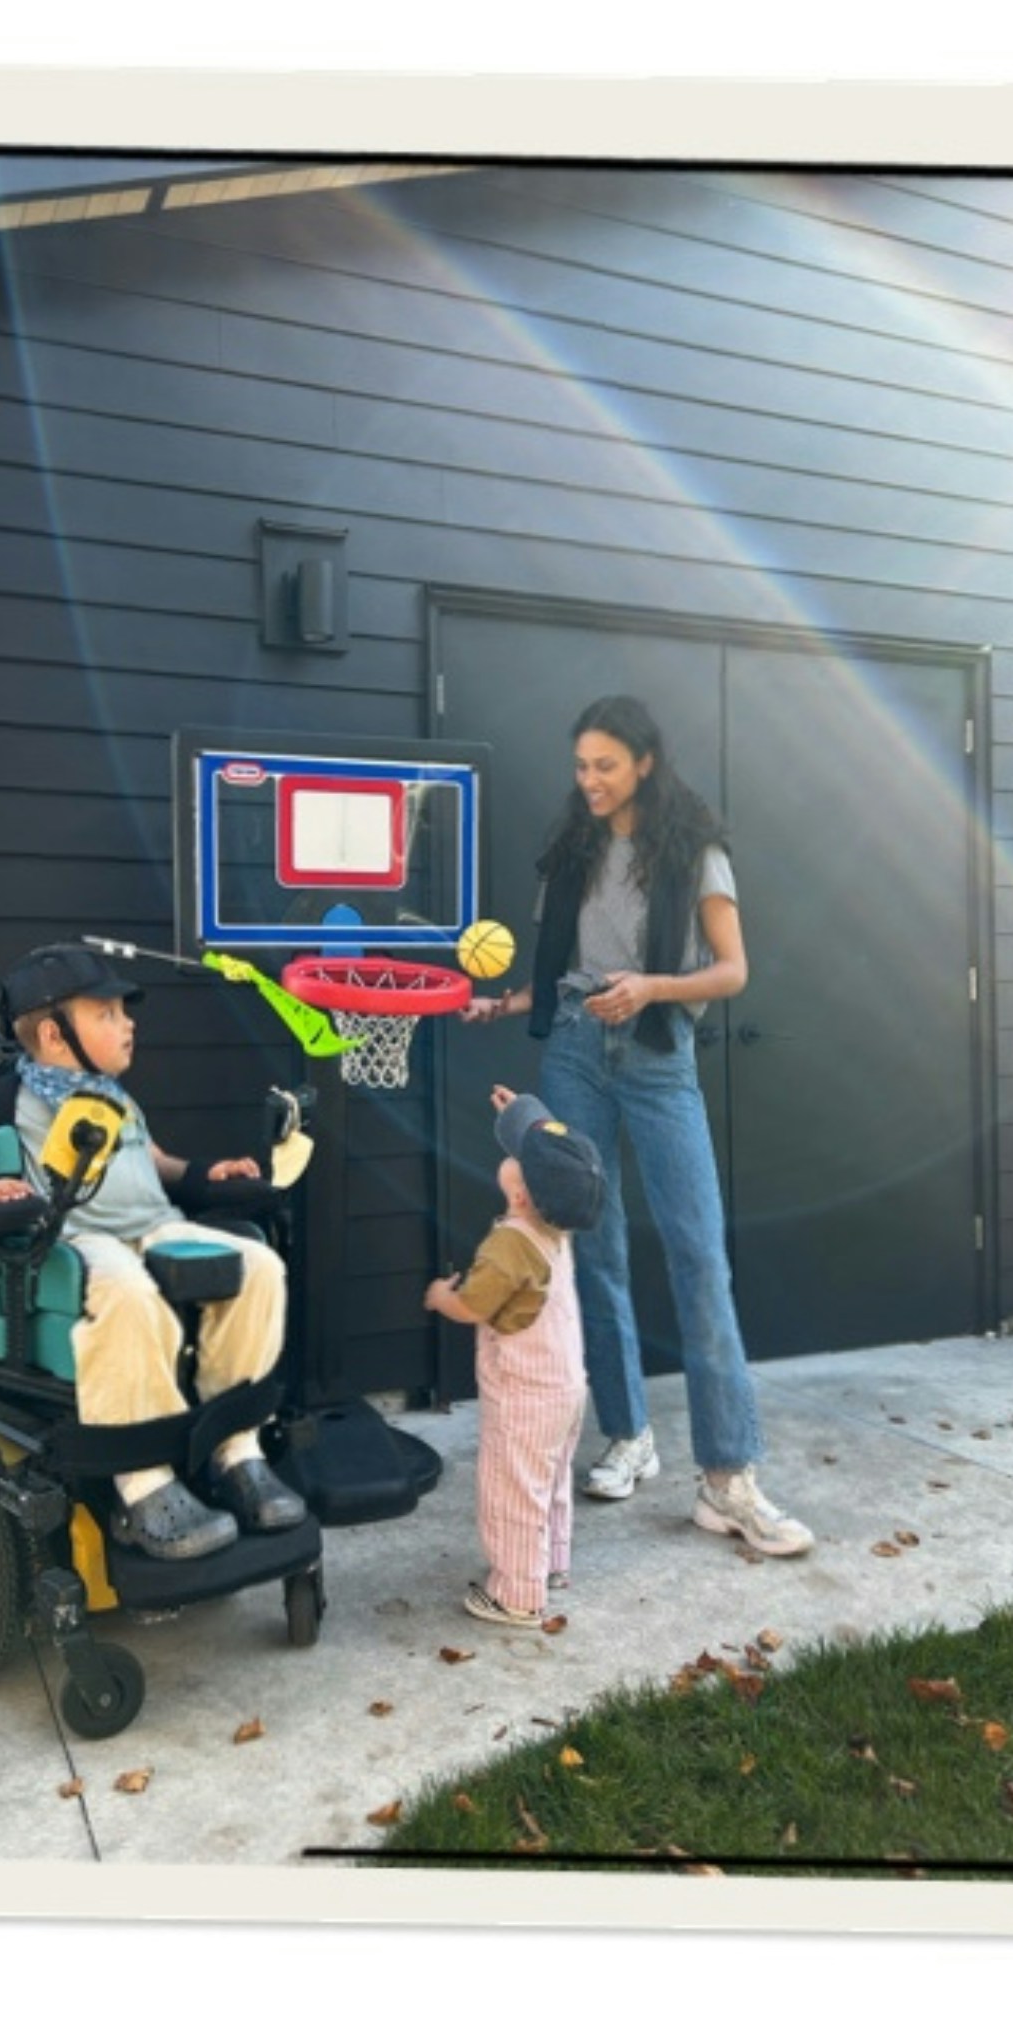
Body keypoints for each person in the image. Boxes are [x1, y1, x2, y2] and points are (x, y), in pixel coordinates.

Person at [468, 698, 812, 1560]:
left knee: (698, 1256)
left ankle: (728, 1479)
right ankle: (628, 1436)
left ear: (644, 764)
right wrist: (504, 1001)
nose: (587, 781)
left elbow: (732, 971)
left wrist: (653, 986)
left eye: (604, 765)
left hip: (657, 1059)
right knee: (594, 1248)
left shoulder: (695, 852)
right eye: (579, 764)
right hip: (577, 1052)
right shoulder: (571, 851)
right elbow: (565, 973)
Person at [0, 941, 300, 1561]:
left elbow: (157, 1166)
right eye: (109, 1014)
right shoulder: (4, 1106)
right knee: (124, 1286)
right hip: (72, 1237)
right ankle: (144, 1482)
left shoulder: (117, 1099)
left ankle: (236, 1449)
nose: (129, 1024)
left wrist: (207, 1173)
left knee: (258, 1266)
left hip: (152, 1224)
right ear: (54, 1032)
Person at [425, 1088, 607, 1636]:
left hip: (524, 1393)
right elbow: (561, 1159)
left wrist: (440, 1297)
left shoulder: (510, 1244)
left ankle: (516, 1595)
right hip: (566, 1387)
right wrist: (525, 1116)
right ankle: (551, 1565)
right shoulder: (558, 1224)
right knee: (548, 1482)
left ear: (523, 1193)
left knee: (511, 1490)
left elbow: (473, 1305)